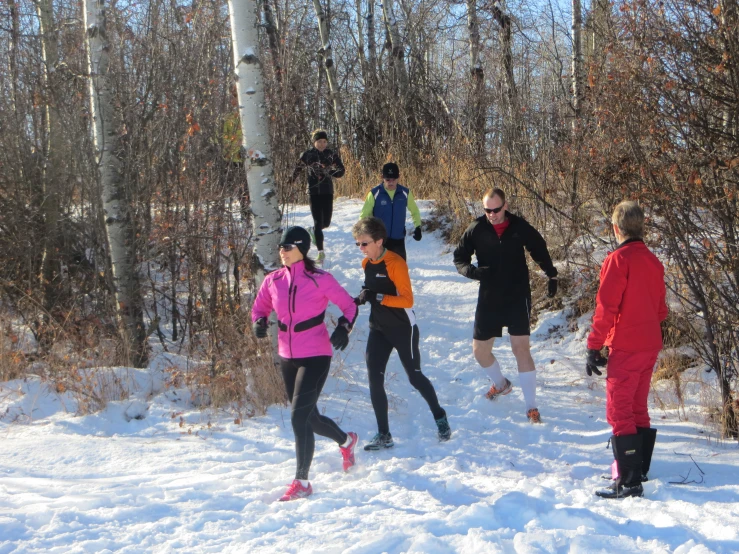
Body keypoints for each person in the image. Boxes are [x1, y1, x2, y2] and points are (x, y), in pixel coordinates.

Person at [251, 226, 358, 501]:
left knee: (299, 417)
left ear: (301, 249)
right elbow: (260, 307)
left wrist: (343, 327)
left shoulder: (320, 279)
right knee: (309, 417)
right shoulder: (273, 280)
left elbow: (350, 306)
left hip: (316, 354)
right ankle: (346, 441)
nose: (282, 252)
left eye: (287, 247)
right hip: (287, 356)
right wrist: (259, 322)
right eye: (281, 247)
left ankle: (302, 482)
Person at [453, 187, 558, 423]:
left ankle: (531, 407)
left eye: (496, 210)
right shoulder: (476, 229)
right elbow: (459, 257)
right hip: (489, 295)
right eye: (487, 210)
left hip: (517, 295)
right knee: (479, 351)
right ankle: (500, 384)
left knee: (521, 348)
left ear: (505, 206)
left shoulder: (519, 227)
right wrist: (472, 272)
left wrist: (552, 275)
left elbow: (538, 249)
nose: (492, 215)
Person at [587, 201, 668, 499]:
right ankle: (637, 468)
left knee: (619, 408)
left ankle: (630, 479)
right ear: (641, 226)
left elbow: (606, 307)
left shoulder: (618, 260)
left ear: (616, 228)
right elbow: (661, 310)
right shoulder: (652, 261)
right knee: (636, 406)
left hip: (629, 345)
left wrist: (594, 345)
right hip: (650, 343)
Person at [352, 217, 451, 449]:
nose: (361, 249)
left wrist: (378, 297)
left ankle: (440, 416)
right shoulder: (367, 264)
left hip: (403, 328)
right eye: (358, 244)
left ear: (379, 241)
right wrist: (363, 295)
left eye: (364, 244)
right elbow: (372, 287)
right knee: (374, 380)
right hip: (378, 328)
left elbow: (408, 299)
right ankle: (384, 434)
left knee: (415, 377)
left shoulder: (395, 263)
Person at [292, 130, 345, 263]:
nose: (322, 144)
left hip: (327, 191)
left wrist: (329, 171)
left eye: (324, 141)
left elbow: (341, 171)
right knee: (317, 221)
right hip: (313, 191)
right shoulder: (308, 154)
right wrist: (291, 179)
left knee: (325, 223)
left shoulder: (331, 154)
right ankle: (321, 252)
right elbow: (298, 167)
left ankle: (314, 231)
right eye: (319, 141)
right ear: (314, 142)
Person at [359, 162, 422, 261]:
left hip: (398, 240)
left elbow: (414, 211)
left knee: (400, 271)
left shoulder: (405, 193)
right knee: (380, 272)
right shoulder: (375, 193)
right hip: (379, 241)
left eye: (394, 179)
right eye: (388, 179)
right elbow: (364, 216)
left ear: (399, 177)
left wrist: (418, 227)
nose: (391, 182)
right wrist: (364, 235)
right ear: (382, 177)